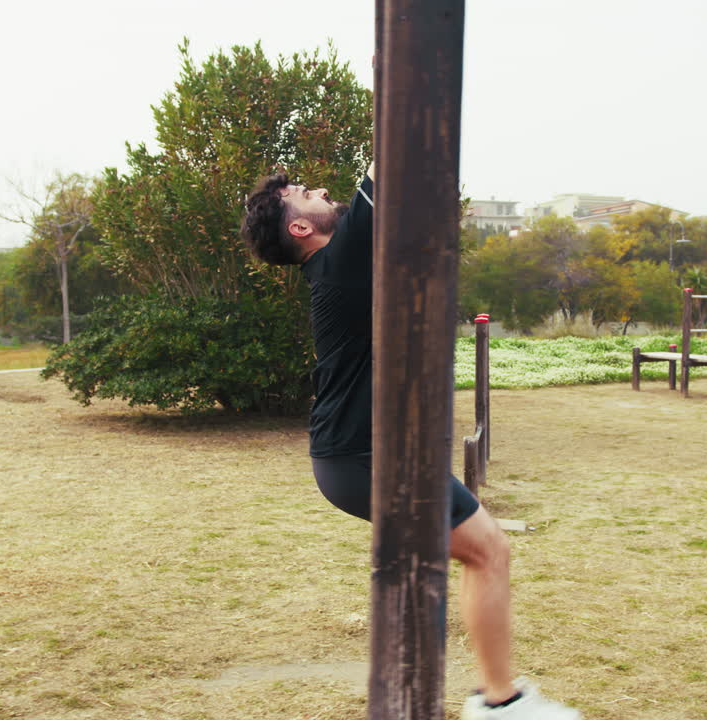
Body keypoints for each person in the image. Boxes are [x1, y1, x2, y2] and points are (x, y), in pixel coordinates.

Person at [241, 163, 581, 720]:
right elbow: (391, 161)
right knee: (487, 550)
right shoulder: (340, 257)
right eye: (306, 193)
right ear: (300, 228)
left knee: (484, 551)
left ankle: (497, 697)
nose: (322, 190)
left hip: (364, 456)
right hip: (362, 457)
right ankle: (498, 701)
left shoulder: (341, 262)